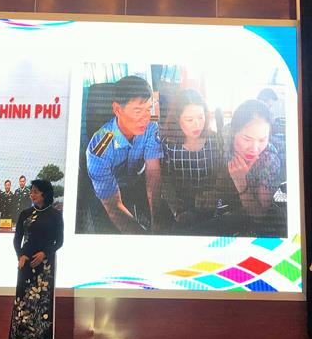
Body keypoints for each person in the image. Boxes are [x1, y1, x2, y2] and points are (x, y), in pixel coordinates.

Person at [85, 75, 163, 234]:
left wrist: (158, 221)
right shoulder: (99, 148)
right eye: (138, 111)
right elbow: (113, 206)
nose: (146, 118)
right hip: (108, 190)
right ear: (117, 109)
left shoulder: (151, 129)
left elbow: (153, 174)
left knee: (165, 221)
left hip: (136, 182)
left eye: (149, 109)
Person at [5, 180, 64, 339]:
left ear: (45, 194)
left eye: (36, 192)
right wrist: (20, 255)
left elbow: (59, 241)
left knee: (42, 306)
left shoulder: (55, 215)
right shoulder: (25, 214)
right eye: (31, 192)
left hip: (45, 264)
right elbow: (17, 239)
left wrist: (45, 253)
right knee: (23, 305)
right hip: (26, 263)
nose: (32, 194)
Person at [208, 100, 284, 237]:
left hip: (256, 227)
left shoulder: (269, 160)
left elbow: (259, 216)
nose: (255, 148)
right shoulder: (226, 140)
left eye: (262, 140)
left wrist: (241, 182)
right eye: (247, 139)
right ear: (233, 133)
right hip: (226, 209)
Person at [160, 89, 222, 234]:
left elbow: (221, 173)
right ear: (178, 119)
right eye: (189, 120)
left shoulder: (214, 140)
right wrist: (177, 211)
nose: (197, 125)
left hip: (212, 209)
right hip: (180, 212)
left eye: (201, 117)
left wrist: (215, 194)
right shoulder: (169, 144)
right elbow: (165, 182)